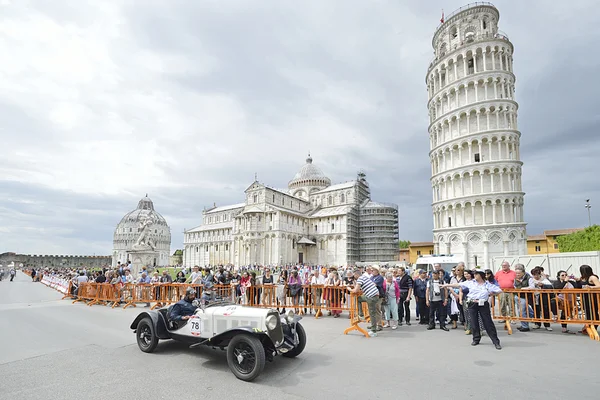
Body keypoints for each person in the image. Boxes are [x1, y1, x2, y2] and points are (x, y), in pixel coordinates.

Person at [443, 270, 503, 350]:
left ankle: (495, 341)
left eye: (476, 274)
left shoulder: (487, 284)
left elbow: (499, 290)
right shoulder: (471, 282)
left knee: (488, 322)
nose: (474, 276)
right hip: (472, 303)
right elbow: (458, 284)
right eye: (474, 274)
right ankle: (476, 339)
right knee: (473, 322)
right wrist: (446, 285)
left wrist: (491, 294)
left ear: (481, 275)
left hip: (483, 303)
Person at [350, 267, 380, 337]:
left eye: (354, 275)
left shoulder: (360, 279)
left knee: (372, 313)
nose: (354, 277)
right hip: (374, 295)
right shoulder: (364, 277)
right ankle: (361, 315)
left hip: (371, 297)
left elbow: (355, 290)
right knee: (359, 298)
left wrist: (349, 289)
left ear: (356, 274)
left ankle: (373, 330)